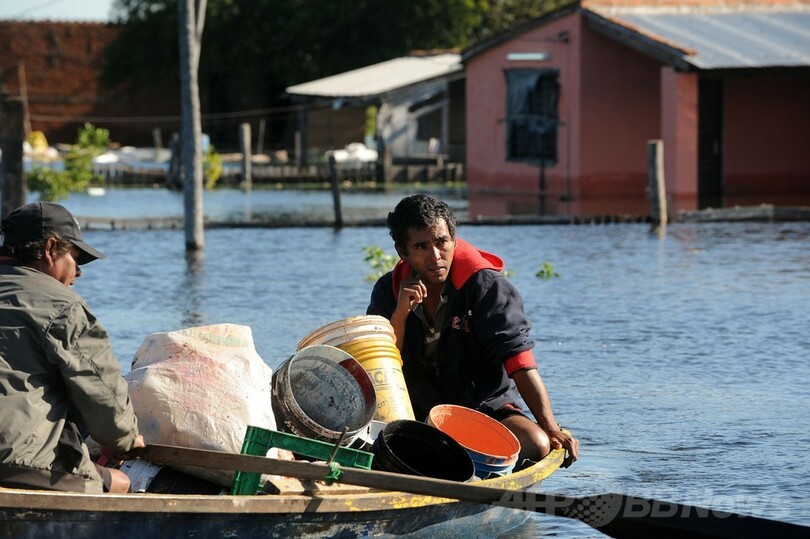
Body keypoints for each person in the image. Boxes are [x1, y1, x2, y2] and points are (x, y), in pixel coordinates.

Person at [367, 194, 579, 467]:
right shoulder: (388, 291)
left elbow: (519, 360)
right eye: (421, 246)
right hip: (416, 413)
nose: (435, 256)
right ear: (402, 252)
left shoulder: (486, 286)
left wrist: (550, 427)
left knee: (536, 443)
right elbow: (380, 367)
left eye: (441, 242)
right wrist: (400, 316)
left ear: (454, 240)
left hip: (484, 409)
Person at [0, 201, 144, 493]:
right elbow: (102, 392)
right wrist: (124, 440)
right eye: (75, 258)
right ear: (51, 248)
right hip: (21, 465)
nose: (78, 272)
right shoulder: (62, 306)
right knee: (122, 483)